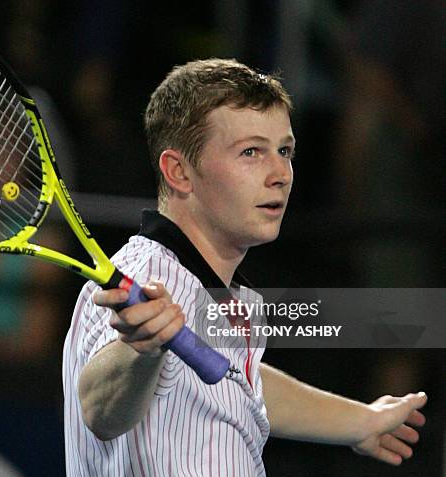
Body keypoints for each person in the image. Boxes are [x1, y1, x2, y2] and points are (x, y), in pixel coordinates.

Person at [62, 59, 427, 476]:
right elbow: (99, 408)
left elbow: (238, 380)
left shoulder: (211, 293)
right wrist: (140, 351)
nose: (280, 174)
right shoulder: (152, 283)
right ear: (178, 171)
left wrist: (360, 422)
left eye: (284, 151)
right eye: (251, 152)